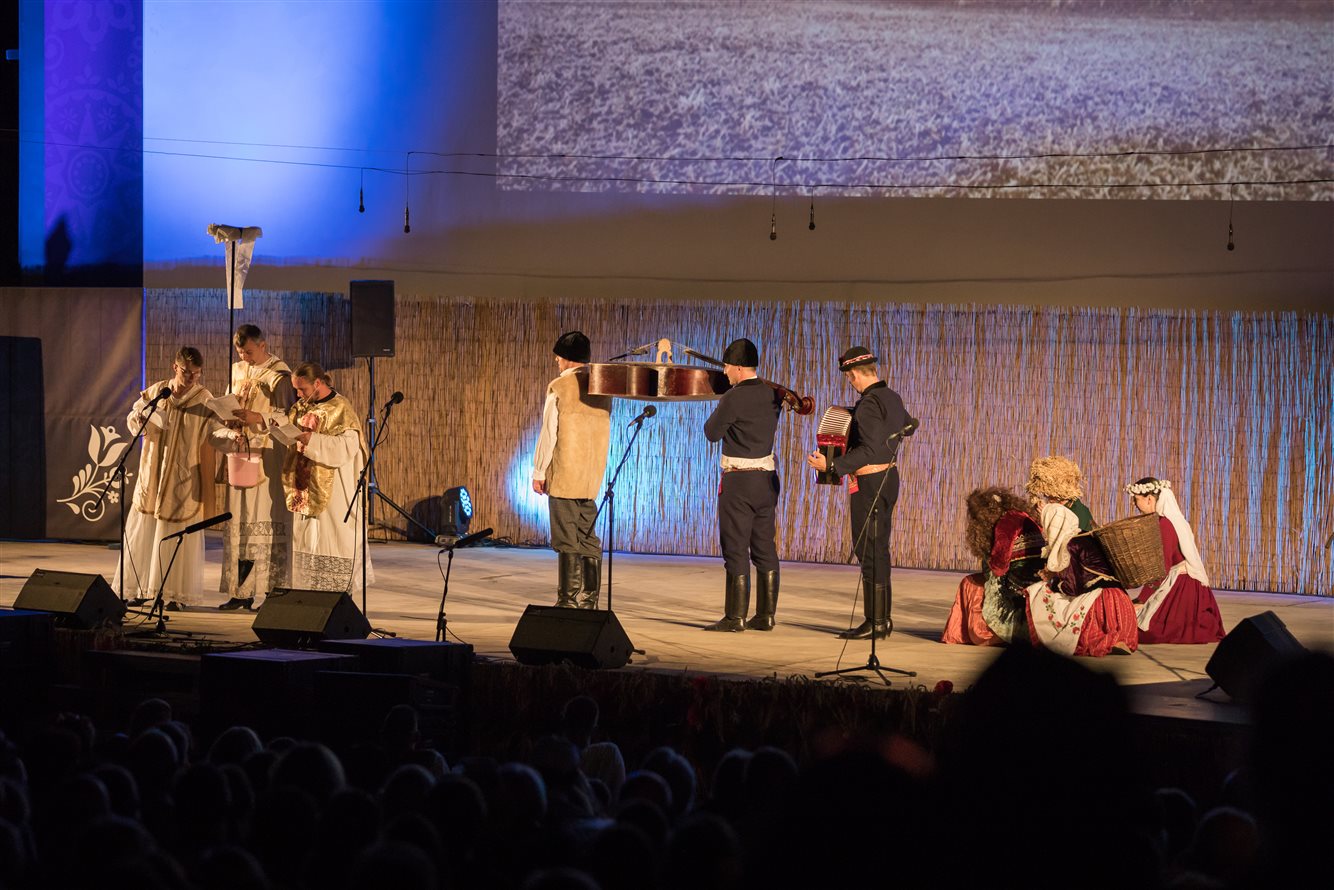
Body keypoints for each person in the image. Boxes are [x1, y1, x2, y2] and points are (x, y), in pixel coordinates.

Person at [805, 347, 911, 640]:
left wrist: (832, 464)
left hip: (870, 483)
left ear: (853, 375)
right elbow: (909, 425)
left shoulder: (867, 404)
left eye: (849, 378)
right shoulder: (891, 397)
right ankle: (882, 620)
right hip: (889, 477)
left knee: (868, 550)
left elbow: (869, 449)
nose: (850, 382)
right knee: (879, 549)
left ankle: (875, 622)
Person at [112, 347, 217, 609]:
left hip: (182, 479)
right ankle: (137, 588)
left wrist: (232, 435)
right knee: (144, 531)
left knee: (173, 535)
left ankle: (171, 593)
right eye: (186, 372)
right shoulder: (158, 392)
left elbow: (215, 432)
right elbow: (134, 419)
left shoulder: (204, 399)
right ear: (175, 367)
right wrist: (139, 417)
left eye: (196, 374)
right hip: (154, 474)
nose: (192, 378)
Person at [209, 325, 294, 611]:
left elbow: (288, 415)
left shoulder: (279, 374)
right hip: (241, 450)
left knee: (265, 523)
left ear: (263, 345)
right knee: (240, 522)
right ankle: (241, 591)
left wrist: (257, 415)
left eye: (248, 351)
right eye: (240, 351)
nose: (244, 356)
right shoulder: (237, 370)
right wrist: (229, 417)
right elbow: (230, 399)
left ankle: (272, 592)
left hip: (268, 453)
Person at [701, 338, 783, 631]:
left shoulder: (733, 398)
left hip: (739, 481)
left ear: (737, 367)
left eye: (726, 367)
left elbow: (711, 433)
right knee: (764, 547)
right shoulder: (774, 395)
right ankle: (765, 616)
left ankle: (735, 617)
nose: (724, 372)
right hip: (767, 479)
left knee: (735, 546)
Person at [1024, 456, 1139, 656]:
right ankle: (1119, 635)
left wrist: (1051, 583)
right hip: (1121, 606)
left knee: (1038, 595)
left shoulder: (1073, 534)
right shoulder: (1072, 524)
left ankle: (1104, 634)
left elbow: (1072, 583)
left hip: (1103, 603)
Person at [531, 332, 612, 609]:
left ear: (568, 359)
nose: (556, 359)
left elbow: (549, 432)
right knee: (587, 535)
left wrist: (539, 471)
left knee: (566, 537)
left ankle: (567, 601)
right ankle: (590, 601)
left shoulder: (560, 387)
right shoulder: (601, 387)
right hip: (590, 475)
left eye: (559, 355)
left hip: (566, 473)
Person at [280, 362, 372, 591]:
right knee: (309, 539)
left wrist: (312, 441)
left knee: (332, 537)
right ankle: (309, 591)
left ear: (318, 383)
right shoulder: (302, 406)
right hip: (305, 483)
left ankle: (338, 592)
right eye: (296, 390)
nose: (298, 395)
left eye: (302, 389)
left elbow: (347, 447)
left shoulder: (340, 408)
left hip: (334, 489)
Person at [1124, 477, 1225, 643]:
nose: (1135, 505)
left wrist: (1143, 598)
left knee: (1137, 629)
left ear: (1149, 499)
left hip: (1181, 585)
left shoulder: (1166, 524)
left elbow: (1163, 566)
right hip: (1187, 583)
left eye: (1136, 500)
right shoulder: (1173, 520)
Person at [941, 486, 1044, 646]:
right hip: (1040, 577)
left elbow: (1000, 565)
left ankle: (966, 634)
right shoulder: (1026, 516)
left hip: (1018, 582)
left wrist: (988, 562)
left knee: (969, 582)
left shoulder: (1007, 521)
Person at [1026, 454, 1096, 531]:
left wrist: (1047, 515)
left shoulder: (1079, 511)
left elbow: (1069, 539)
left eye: (1049, 492)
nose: (1046, 495)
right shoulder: (1054, 506)